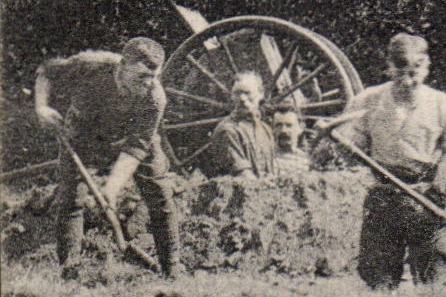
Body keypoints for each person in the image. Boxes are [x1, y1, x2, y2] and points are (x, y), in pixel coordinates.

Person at [337, 34, 446, 290]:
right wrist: (338, 140)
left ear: (427, 65)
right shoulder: (366, 102)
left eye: (416, 68)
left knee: (437, 280)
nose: (409, 77)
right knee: (377, 279)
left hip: (427, 198)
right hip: (383, 197)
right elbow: (349, 150)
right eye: (400, 67)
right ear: (388, 65)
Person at [34, 37, 179, 277]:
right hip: (84, 132)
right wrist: (41, 107)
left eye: (154, 77)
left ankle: (172, 271)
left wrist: (111, 189)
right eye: (141, 76)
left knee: (160, 194)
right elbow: (46, 72)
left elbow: (137, 146)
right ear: (122, 66)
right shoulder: (92, 65)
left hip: (132, 137)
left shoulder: (155, 97)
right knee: (71, 198)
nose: (148, 84)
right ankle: (70, 271)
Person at [203, 72, 277, 177]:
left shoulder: (265, 129)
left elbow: (273, 169)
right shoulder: (227, 130)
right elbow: (243, 176)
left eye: (247, 93)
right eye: (237, 93)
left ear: (261, 94)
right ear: (232, 97)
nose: (242, 99)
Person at [270, 105, 311, 172]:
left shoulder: (307, 160)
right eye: (278, 125)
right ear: (272, 129)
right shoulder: (266, 159)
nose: (283, 130)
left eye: (289, 125)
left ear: (300, 128)